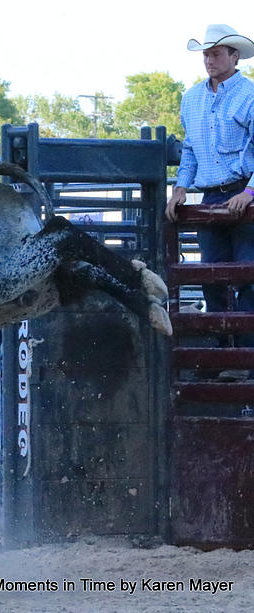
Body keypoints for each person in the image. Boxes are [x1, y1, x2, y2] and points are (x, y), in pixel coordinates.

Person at [166, 24, 254, 380]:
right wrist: (180, 188)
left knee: (247, 277)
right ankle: (222, 357)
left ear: (234, 57)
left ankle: (245, 359)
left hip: (244, 196)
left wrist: (248, 193)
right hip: (211, 199)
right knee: (212, 277)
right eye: (206, 53)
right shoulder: (192, 98)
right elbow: (190, 150)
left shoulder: (250, 95)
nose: (209, 59)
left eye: (216, 53)